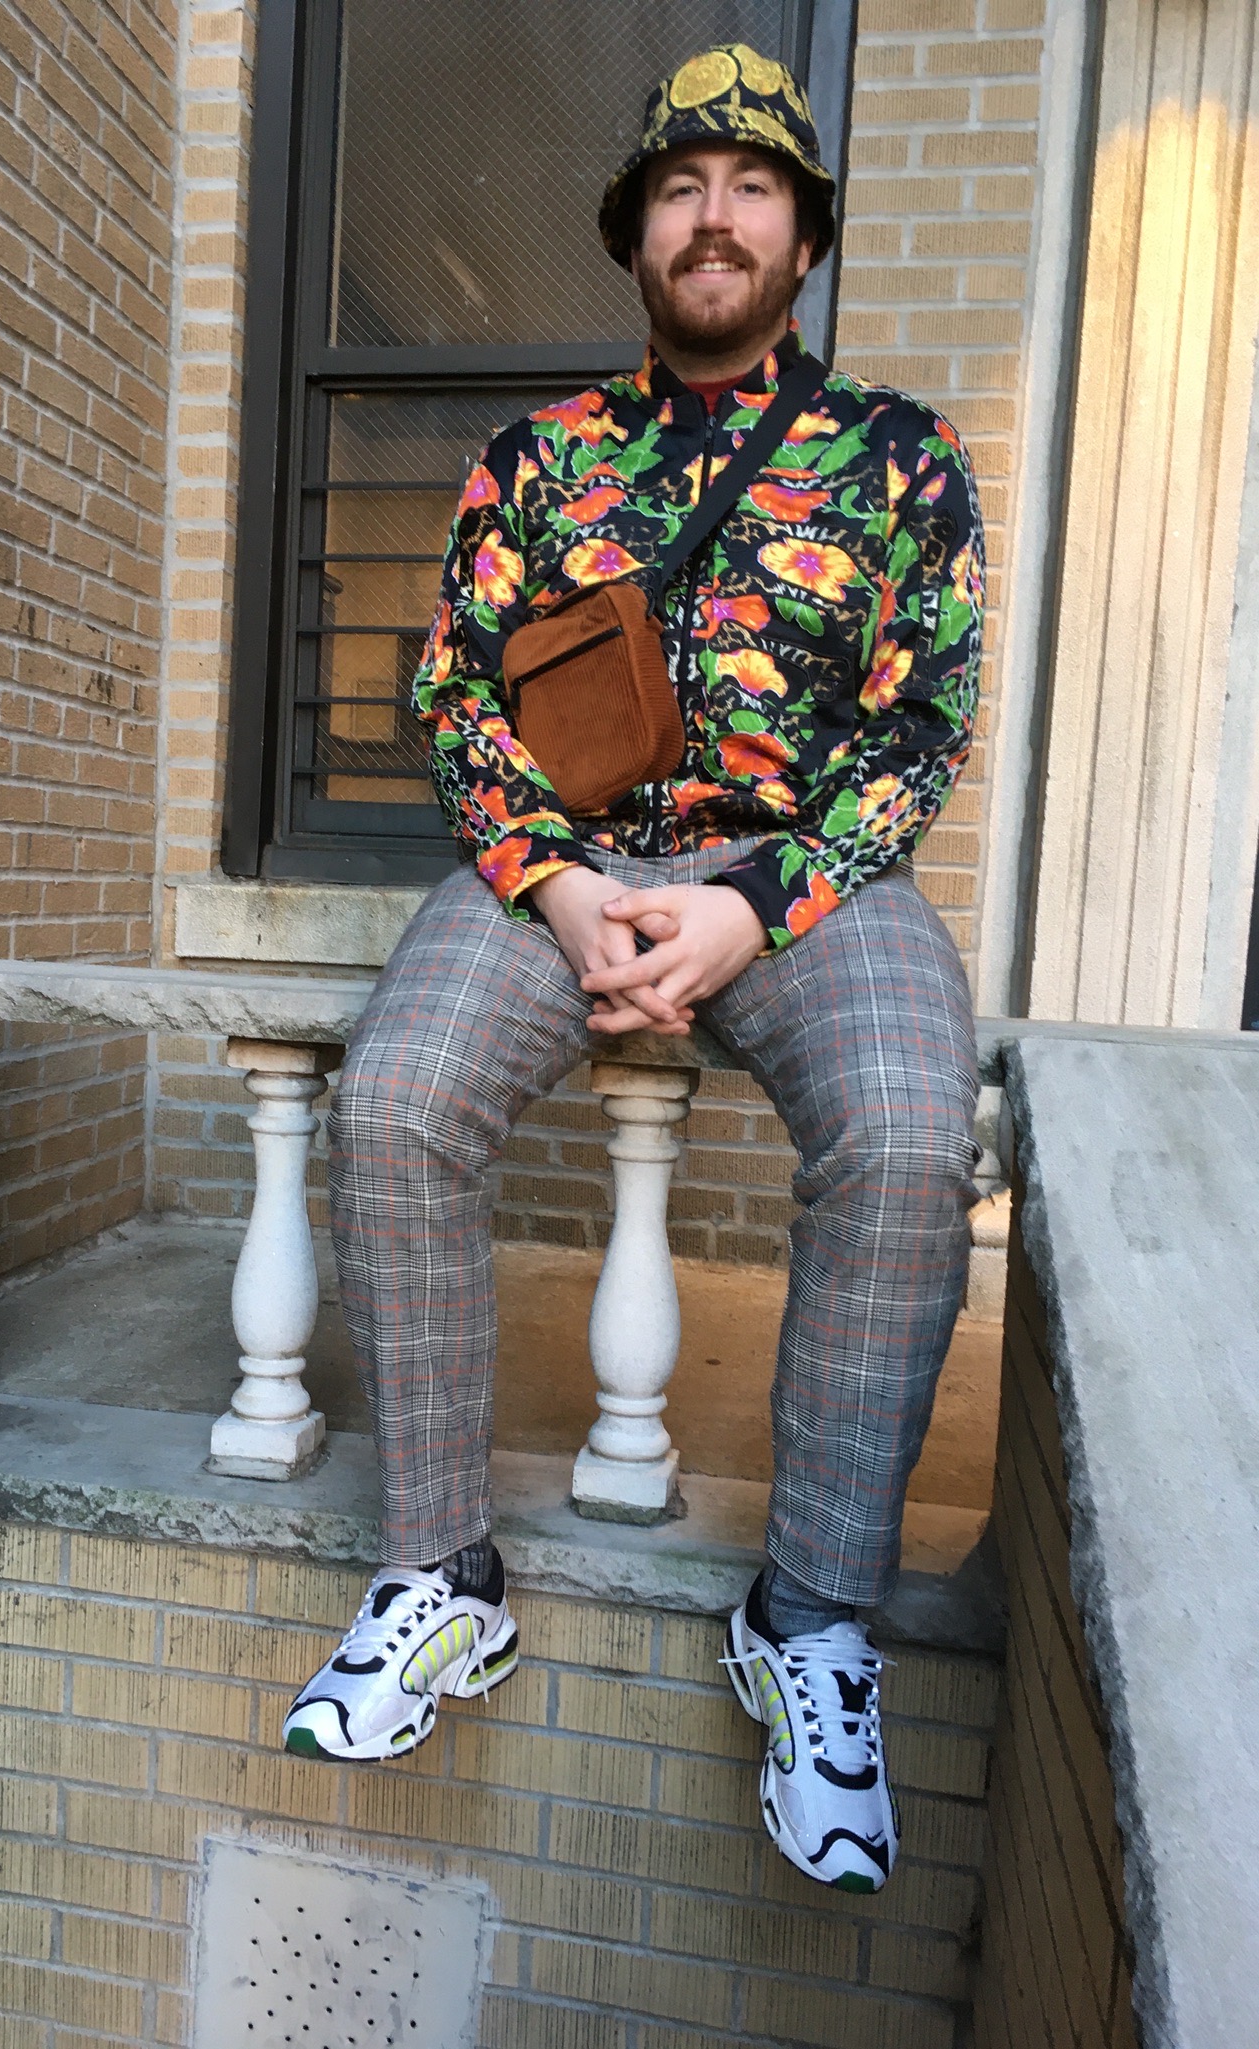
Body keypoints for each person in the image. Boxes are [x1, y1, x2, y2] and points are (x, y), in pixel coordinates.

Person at [283, 42, 984, 1897]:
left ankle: (813, 1615)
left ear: (804, 237)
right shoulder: (540, 460)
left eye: (753, 186)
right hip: (560, 868)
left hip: (800, 883)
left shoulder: (899, 460)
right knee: (399, 1092)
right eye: (681, 186)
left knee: (918, 1136)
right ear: (636, 235)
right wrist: (562, 884)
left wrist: (759, 901)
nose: (714, 215)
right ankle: (442, 1572)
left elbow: (919, 729)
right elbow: (450, 691)